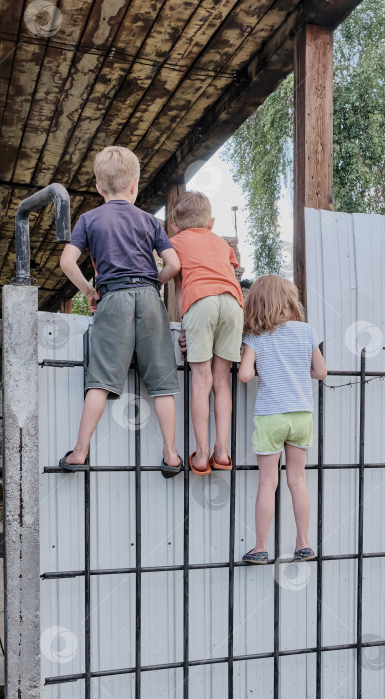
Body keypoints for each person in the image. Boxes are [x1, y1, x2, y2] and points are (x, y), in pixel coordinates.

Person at [58, 145, 183, 478]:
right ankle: (171, 455)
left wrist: (89, 291)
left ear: (99, 188)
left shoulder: (89, 219)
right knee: (162, 381)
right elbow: (174, 264)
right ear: (135, 185)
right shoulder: (149, 221)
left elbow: (66, 262)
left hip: (112, 297)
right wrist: (153, 282)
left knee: (99, 379)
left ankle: (80, 451)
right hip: (148, 296)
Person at [238, 274, 327, 563]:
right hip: (302, 415)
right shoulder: (306, 331)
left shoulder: (255, 336)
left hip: (271, 416)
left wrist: (262, 368)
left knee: (267, 483)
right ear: (289, 301)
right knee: (297, 481)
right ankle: (303, 543)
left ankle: (261, 546)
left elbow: (245, 374)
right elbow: (321, 372)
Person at [171, 191, 244, 475]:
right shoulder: (222, 243)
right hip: (233, 302)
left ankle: (201, 455)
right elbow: (228, 272)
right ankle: (222, 451)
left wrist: (183, 323)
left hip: (200, 299)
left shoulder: (175, 242)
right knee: (222, 380)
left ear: (175, 226)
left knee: (201, 380)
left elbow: (180, 285)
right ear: (211, 223)